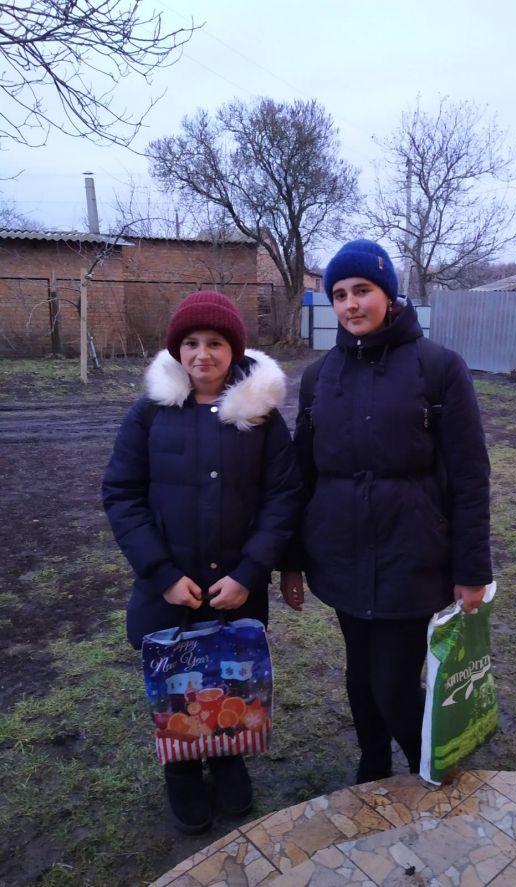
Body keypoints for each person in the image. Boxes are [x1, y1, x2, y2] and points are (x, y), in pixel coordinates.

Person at [280, 240, 492, 783]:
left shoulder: (439, 368)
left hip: (413, 554)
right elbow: (300, 474)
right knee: (359, 675)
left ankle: (438, 768)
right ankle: (371, 763)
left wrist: (471, 571)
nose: (351, 304)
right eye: (340, 294)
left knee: (394, 684)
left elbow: (470, 476)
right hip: (342, 553)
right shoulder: (319, 376)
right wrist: (293, 560)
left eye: (363, 291)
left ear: (389, 293)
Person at [102, 291, 301, 834]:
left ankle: (228, 755)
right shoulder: (150, 415)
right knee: (178, 681)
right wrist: (161, 575)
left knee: (227, 677)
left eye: (215, 343)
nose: (203, 355)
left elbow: (283, 498)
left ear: (233, 350)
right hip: (170, 588)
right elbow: (122, 493)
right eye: (191, 343)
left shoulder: (262, 421)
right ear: (177, 350)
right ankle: (183, 768)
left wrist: (250, 572)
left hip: (235, 586)